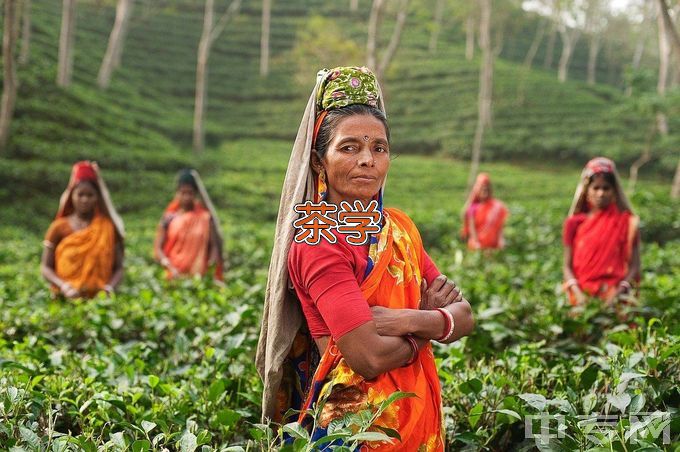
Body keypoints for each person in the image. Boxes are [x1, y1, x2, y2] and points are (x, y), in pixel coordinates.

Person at [256, 67, 475, 450]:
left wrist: (408, 319)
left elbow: (466, 316)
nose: (367, 160)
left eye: (379, 148)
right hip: (357, 428)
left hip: (414, 413)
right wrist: (431, 328)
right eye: (349, 147)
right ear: (319, 161)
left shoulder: (400, 227)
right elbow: (368, 358)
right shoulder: (318, 241)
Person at [562, 157, 640, 306]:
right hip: (582, 297)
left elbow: (634, 266)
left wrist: (617, 294)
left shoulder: (627, 222)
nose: (601, 193)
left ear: (614, 191)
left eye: (606, 188)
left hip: (616, 297)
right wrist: (578, 294)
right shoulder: (574, 223)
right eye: (596, 188)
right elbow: (567, 266)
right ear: (587, 190)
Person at [41, 161, 125, 298]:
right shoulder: (58, 227)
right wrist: (64, 287)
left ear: (97, 197)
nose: (85, 200)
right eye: (80, 195)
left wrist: (109, 289)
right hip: (64, 298)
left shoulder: (108, 228)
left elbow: (119, 267)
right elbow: (45, 267)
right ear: (72, 196)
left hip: (100, 302)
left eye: (90, 195)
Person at [154, 169, 224, 281]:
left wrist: (211, 268)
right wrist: (167, 265)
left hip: (199, 278)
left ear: (195, 194)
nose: (186, 197)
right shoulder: (169, 218)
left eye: (190, 193)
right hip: (172, 275)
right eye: (183, 193)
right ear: (177, 193)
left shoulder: (205, 218)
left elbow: (214, 247)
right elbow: (158, 249)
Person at [461, 173, 508, 250]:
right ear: (477, 190)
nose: (484, 191)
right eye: (482, 189)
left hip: (494, 246)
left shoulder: (496, 206)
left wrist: (501, 241)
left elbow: (500, 227)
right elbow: (471, 228)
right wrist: (477, 243)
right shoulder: (473, 207)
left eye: (486, 189)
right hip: (477, 245)